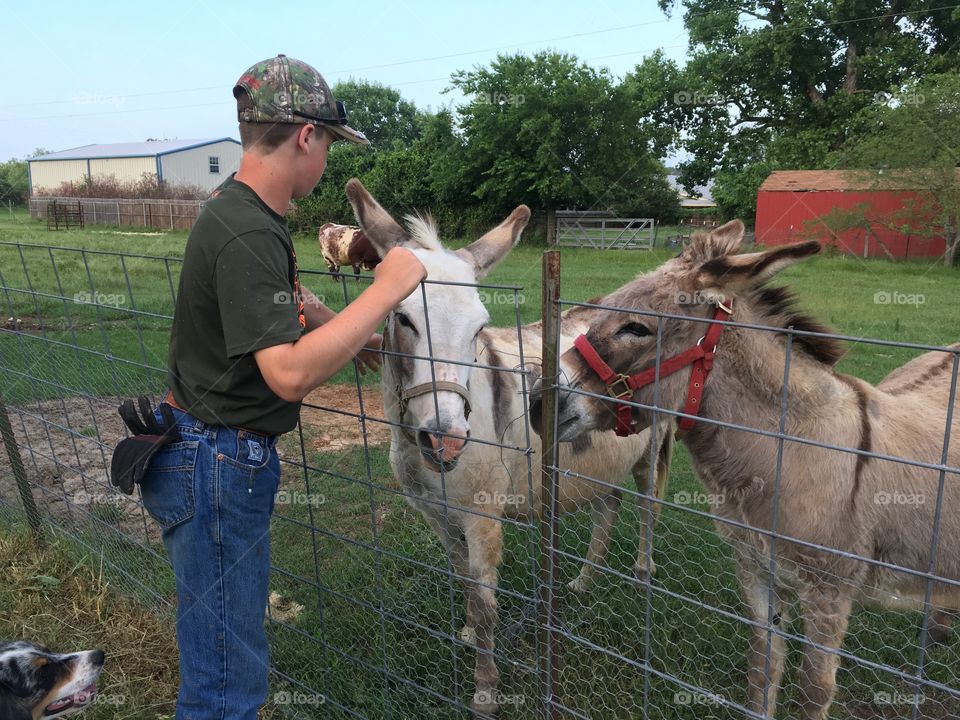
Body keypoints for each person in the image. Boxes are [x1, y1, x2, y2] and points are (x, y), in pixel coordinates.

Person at [137, 55, 426, 719]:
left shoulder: (244, 213)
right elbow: (289, 373)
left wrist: (346, 329)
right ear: (305, 137)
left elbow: (283, 305)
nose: (325, 159)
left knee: (223, 649)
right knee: (226, 681)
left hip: (211, 454)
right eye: (327, 143)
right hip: (216, 463)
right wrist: (383, 290)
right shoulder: (245, 230)